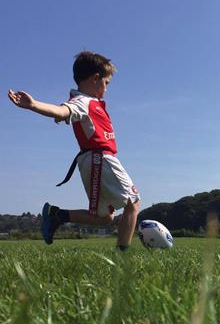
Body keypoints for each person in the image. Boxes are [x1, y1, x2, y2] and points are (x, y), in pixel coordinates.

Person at [7, 51, 140, 251]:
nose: (107, 88)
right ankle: (123, 256)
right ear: (95, 78)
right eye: (107, 82)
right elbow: (62, 111)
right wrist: (33, 105)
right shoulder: (83, 102)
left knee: (104, 218)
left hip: (93, 160)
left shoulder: (86, 103)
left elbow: (64, 114)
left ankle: (57, 215)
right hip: (100, 159)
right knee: (133, 203)